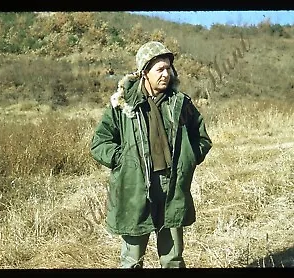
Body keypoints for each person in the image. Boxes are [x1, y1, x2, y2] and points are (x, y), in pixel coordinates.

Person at [90, 41, 212, 268]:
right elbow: (99, 143)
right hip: (135, 189)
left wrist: (189, 157)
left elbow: (202, 138)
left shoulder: (180, 103)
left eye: (168, 68)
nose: (166, 74)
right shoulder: (123, 105)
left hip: (172, 189)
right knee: (132, 260)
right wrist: (122, 160)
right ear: (144, 72)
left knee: (173, 260)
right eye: (160, 69)